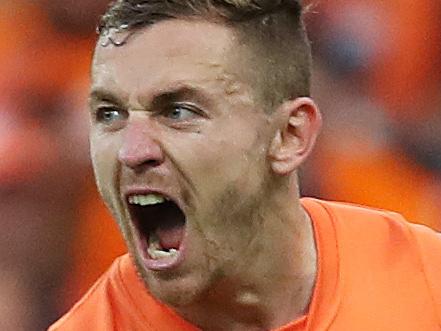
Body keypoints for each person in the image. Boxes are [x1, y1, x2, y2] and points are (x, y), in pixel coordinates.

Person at [49, 1, 441, 330]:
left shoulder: (427, 284)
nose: (131, 152)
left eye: (179, 111)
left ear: (290, 135)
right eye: (109, 114)